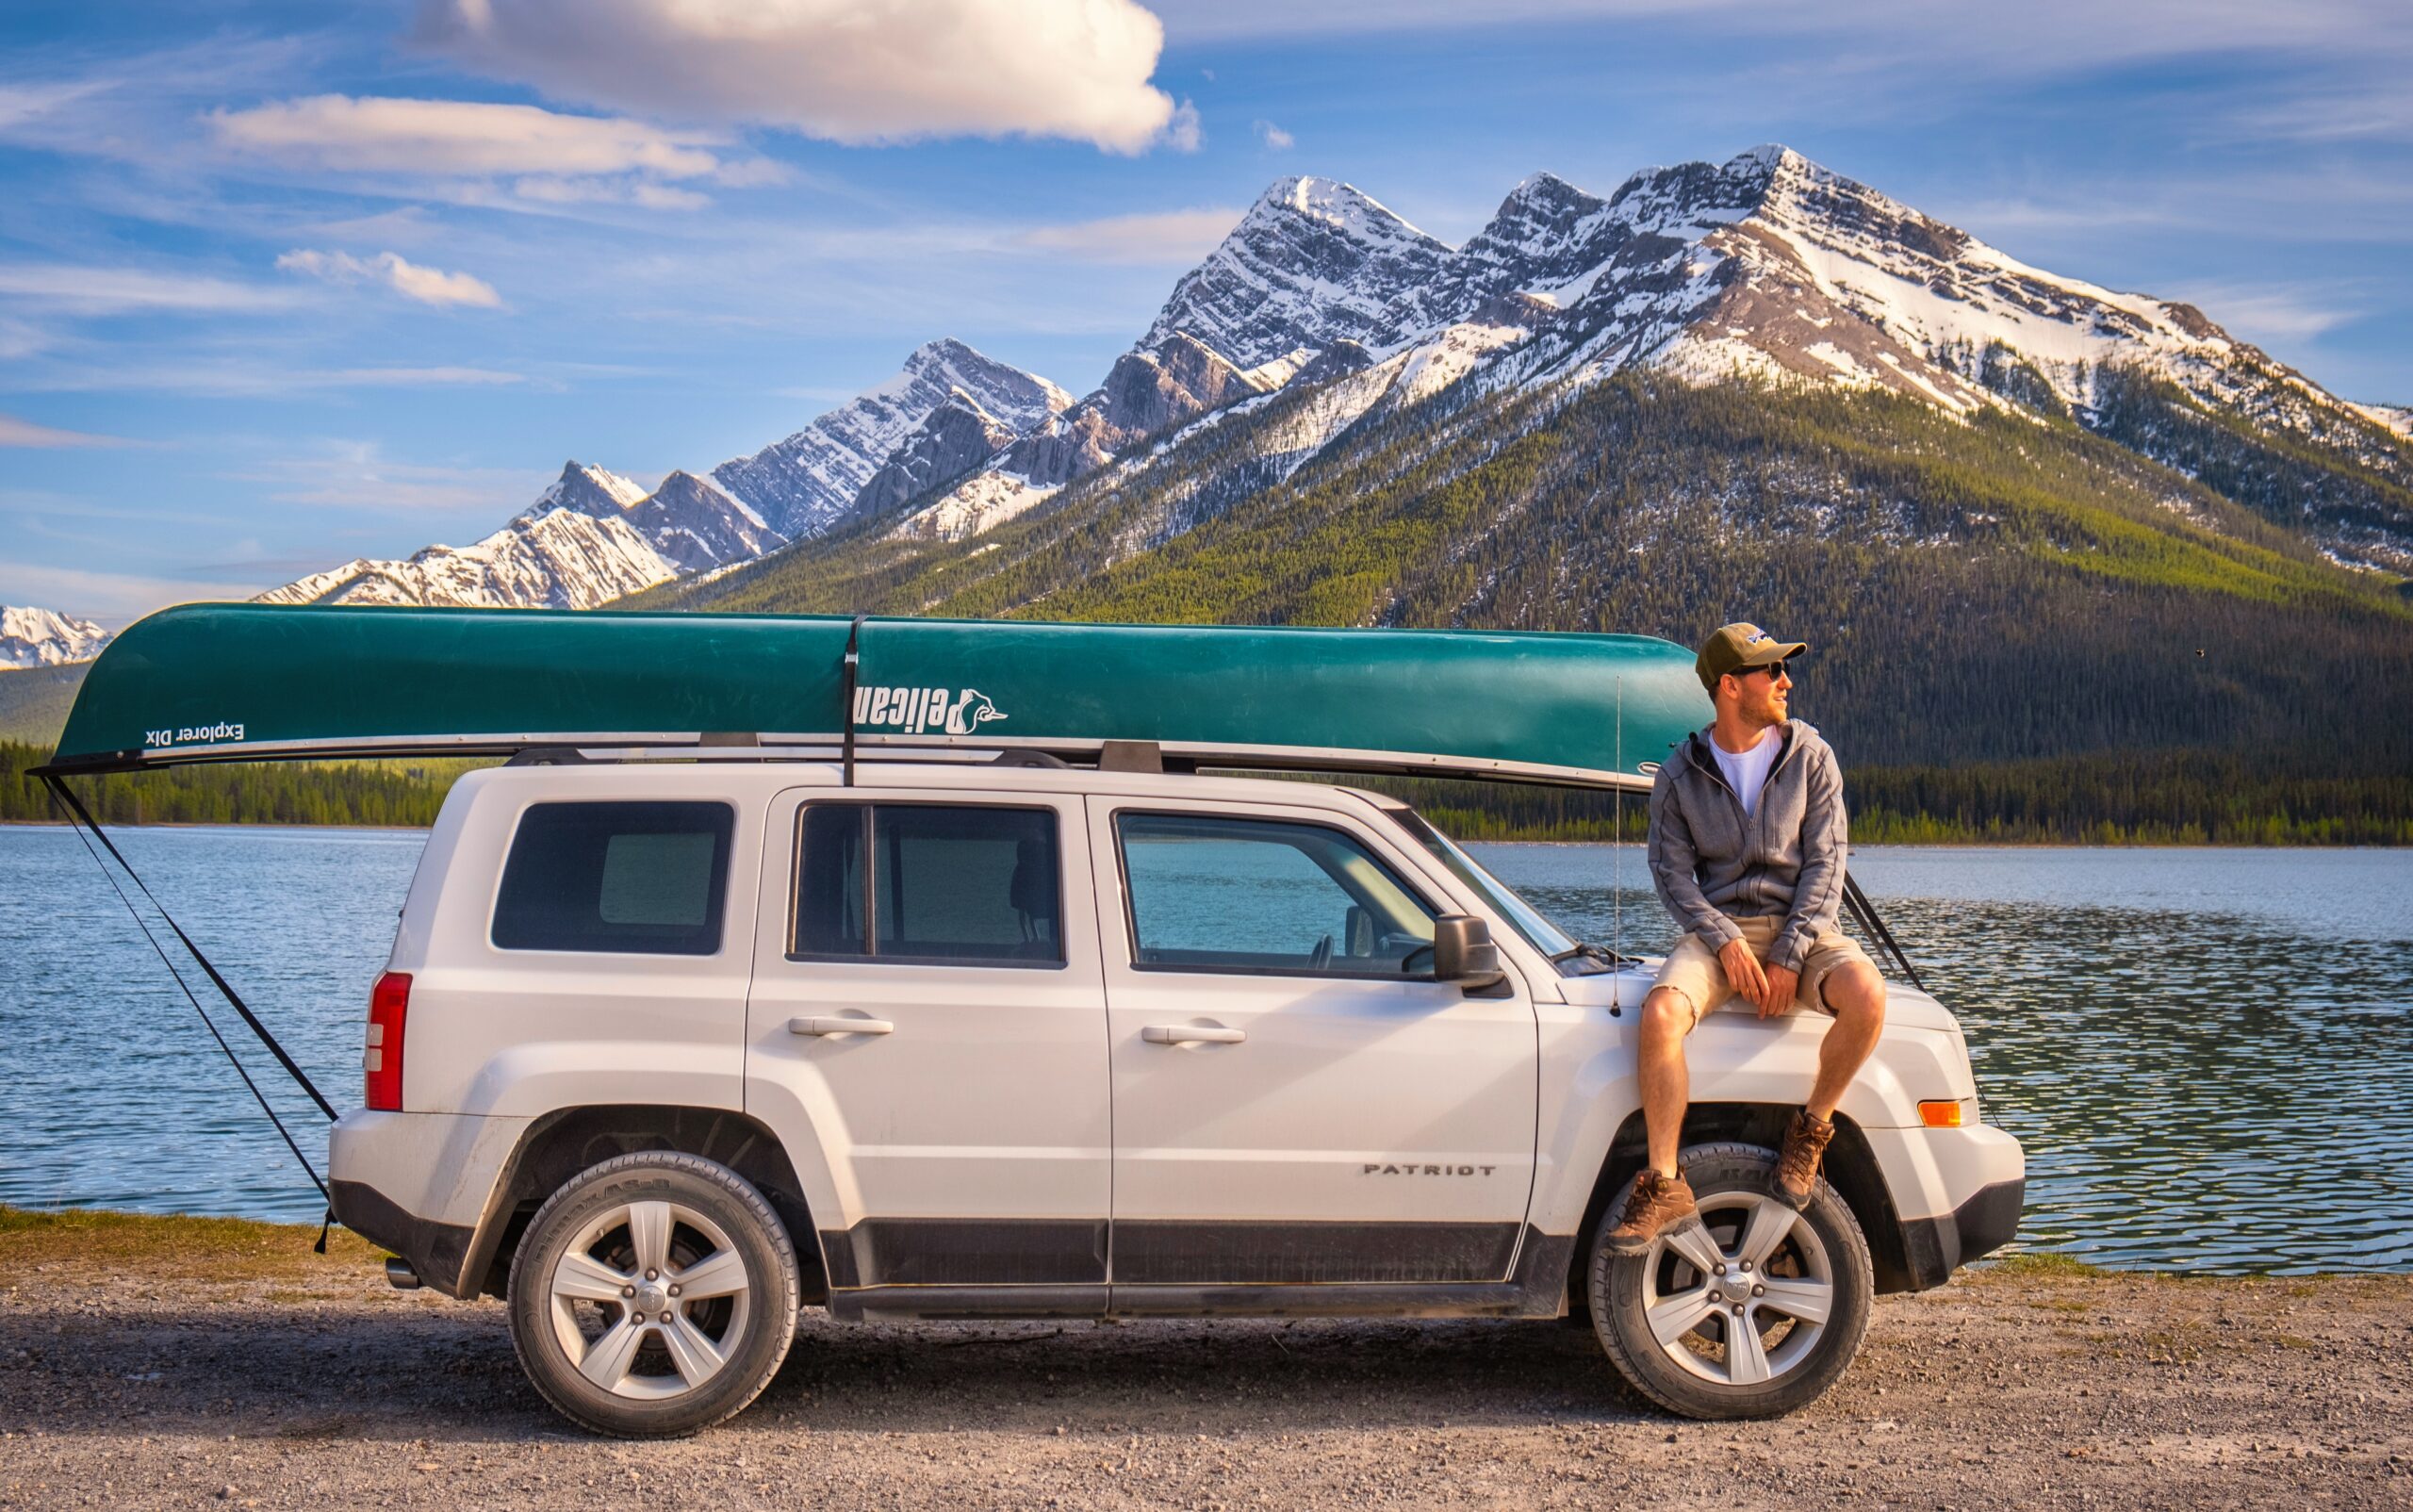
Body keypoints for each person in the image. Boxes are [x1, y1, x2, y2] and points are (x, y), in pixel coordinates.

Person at [1601, 622, 1887, 1255]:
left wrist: (1788, 953)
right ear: (1730, 687)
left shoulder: (1812, 756)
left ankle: (1810, 1131)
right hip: (1717, 932)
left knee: (1867, 994)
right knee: (1661, 1014)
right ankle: (1666, 1182)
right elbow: (1672, 875)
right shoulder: (1679, 773)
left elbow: (1827, 865)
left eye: (1784, 670)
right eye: (1771, 671)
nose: (1786, 682)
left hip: (1803, 931)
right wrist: (1726, 942)